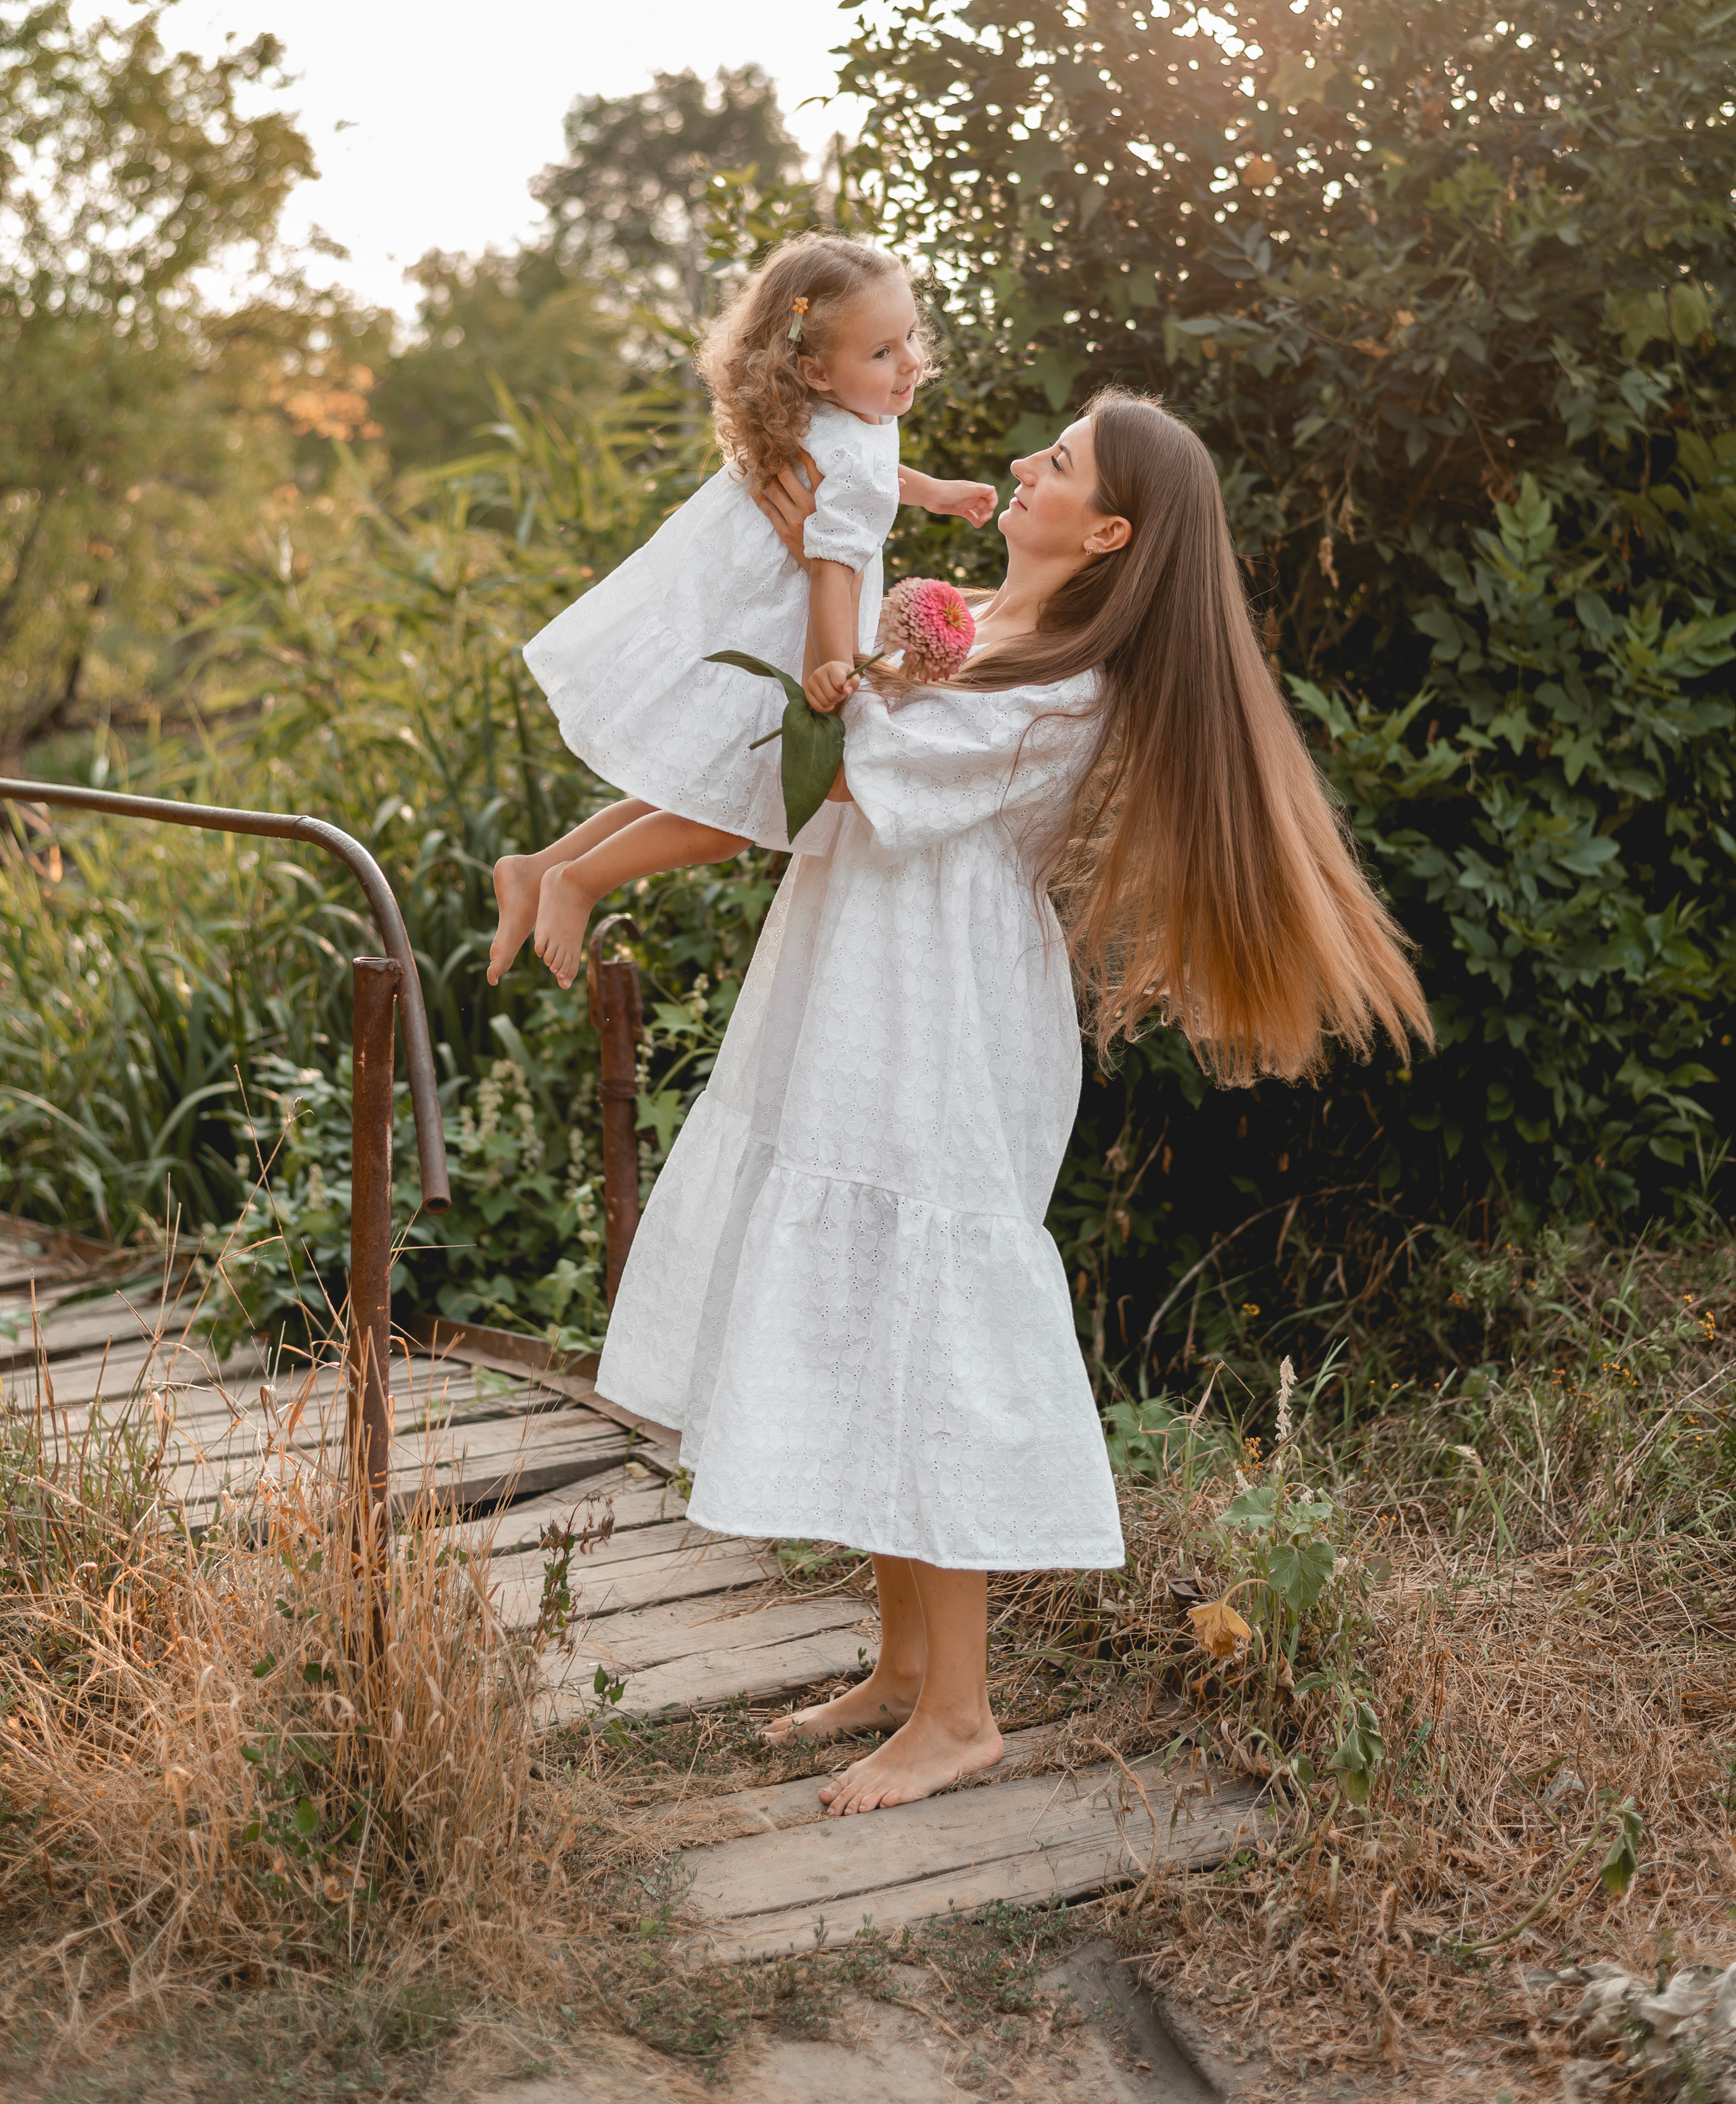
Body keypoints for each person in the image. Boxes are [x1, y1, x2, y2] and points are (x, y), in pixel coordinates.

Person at [594, 389, 1433, 1817]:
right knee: (867, 1301)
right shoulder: (980, 630)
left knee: (923, 1311)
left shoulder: (1060, 683)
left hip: (943, 1014)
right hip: (862, 985)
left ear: (1108, 531)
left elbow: (836, 775)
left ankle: (963, 1714)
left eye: (1055, 466)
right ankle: (902, 1669)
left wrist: (822, 608)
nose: (1020, 469)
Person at [486, 233, 997, 989]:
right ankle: (579, 882)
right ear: (816, 368)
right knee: (725, 826)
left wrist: (937, 492)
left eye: (910, 338)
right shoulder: (851, 441)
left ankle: (540, 865)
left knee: (701, 795)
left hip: (728, 610)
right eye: (883, 352)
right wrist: (828, 670)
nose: (911, 361)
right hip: (774, 637)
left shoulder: (833, 413)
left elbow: (873, 468)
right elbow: (833, 571)